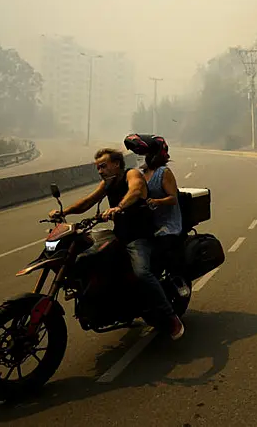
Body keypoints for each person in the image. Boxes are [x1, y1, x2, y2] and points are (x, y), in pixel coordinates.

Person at [48, 147, 184, 340]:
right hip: (118, 236)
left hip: (139, 238)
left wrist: (118, 207)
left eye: (103, 166)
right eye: (98, 168)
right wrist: (64, 213)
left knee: (142, 273)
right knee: (86, 259)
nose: (100, 171)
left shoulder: (132, 174)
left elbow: (136, 190)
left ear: (116, 164)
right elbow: (87, 202)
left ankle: (170, 317)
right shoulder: (108, 184)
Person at [140, 136, 189, 298]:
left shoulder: (164, 172)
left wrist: (157, 201)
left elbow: (173, 198)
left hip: (168, 223)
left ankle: (177, 280)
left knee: (162, 249)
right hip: (150, 222)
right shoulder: (141, 173)